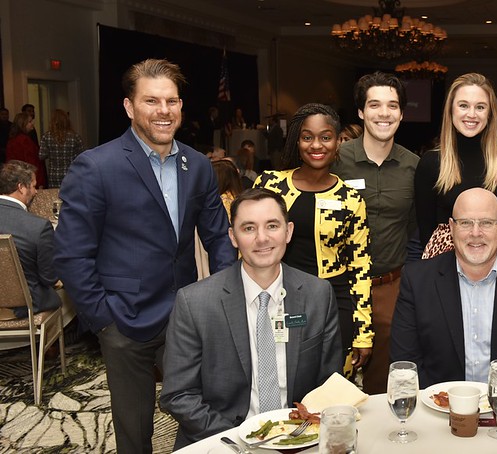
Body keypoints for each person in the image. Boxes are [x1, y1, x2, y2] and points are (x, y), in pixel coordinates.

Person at [53, 59, 237, 454]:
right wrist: (104, 320)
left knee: (207, 412)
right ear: (128, 107)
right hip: (124, 320)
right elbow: (70, 254)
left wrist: (225, 296)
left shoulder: (199, 164)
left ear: (181, 106)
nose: (163, 110)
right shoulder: (96, 166)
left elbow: (219, 236)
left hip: (187, 315)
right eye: (151, 100)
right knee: (135, 429)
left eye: (171, 101)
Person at [160, 188, 342, 449]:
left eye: (272, 226)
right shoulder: (195, 302)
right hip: (221, 438)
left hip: (298, 438)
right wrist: (244, 440)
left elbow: (328, 384)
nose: (262, 238)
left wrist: (301, 433)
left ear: (288, 231)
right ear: (233, 237)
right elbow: (178, 394)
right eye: (248, 228)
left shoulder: (317, 295)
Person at [391, 188, 497, 389]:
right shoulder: (417, 281)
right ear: (451, 228)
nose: (476, 233)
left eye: (487, 223)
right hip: (438, 410)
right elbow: (406, 367)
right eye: (465, 223)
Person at [253, 103, 372, 380]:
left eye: (325, 137)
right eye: (307, 137)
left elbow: (360, 266)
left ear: (337, 141)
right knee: (283, 379)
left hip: (334, 303)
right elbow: (248, 247)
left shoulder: (350, 198)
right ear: (297, 140)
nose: (316, 145)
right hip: (281, 300)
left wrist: (364, 331)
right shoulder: (271, 185)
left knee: (332, 385)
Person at [331, 71, 419, 394]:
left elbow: (413, 228)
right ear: (360, 111)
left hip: (389, 288)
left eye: (392, 106)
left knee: (383, 384)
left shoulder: (414, 167)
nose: (384, 113)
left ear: (402, 114)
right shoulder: (336, 161)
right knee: (332, 381)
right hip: (338, 288)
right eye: (375, 105)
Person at [414, 73, 497, 249]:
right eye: (463, 105)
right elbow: (427, 233)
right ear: (450, 110)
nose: (471, 114)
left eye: (480, 107)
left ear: (490, 113)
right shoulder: (431, 162)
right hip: (446, 266)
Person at [0, 160, 60, 319]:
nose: (36, 192)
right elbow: (49, 278)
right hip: (27, 305)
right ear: (21, 187)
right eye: (33, 186)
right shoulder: (38, 227)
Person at [39, 109, 84, 188]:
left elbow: (41, 156)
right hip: (71, 173)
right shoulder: (75, 137)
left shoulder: (47, 136)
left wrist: (52, 152)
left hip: (54, 175)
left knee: (55, 197)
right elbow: (82, 156)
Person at [6, 113, 45, 187]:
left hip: (15, 177)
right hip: (27, 179)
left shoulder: (12, 139)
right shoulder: (24, 140)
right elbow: (31, 163)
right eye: (29, 122)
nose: (32, 124)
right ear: (22, 124)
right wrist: (38, 182)